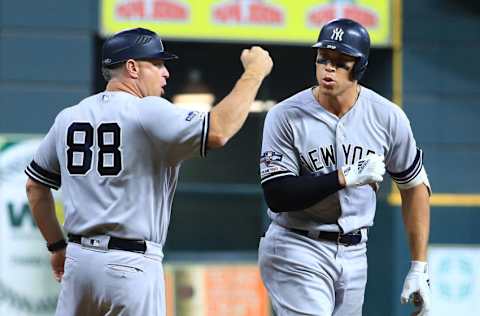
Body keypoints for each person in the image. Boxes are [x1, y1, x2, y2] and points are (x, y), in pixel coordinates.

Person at [24, 27, 272, 316]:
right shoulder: (147, 110)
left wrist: (57, 246)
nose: (165, 72)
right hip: (131, 264)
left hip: (79, 263)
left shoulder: (69, 117)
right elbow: (218, 131)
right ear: (132, 67)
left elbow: (35, 187)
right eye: (157, 64)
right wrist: (253, 73)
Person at [258, 18, 431, 316]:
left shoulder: (387, 117)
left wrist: (419, 266)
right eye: (323, 58)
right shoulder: (284, 115)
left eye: (341, 61)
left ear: (360, 66)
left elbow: (414, 186)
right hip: (297, 244)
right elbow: (277, 194)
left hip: (354, 252)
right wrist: (342, 177)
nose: (329, 67)